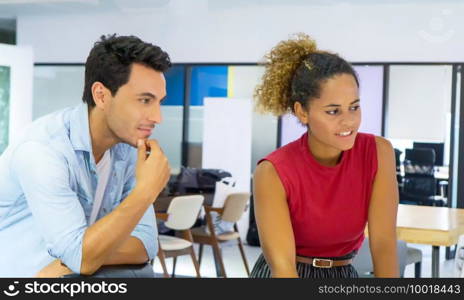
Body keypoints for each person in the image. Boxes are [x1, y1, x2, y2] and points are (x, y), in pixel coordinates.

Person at [0, 34, 171, 277]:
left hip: (65, 277)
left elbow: (145, 245)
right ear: (101, 95)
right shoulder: (43, 151)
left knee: (141, 274)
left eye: (159, 102)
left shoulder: (128, 148)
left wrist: (75, 257)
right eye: (144, 100)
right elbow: (82, 258)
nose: (157, 117)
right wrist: (145, 191)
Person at [250, 34, 399, 278]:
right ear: (302, 112)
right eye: (333, 111)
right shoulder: (273, 171)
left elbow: (383, 243)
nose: (349, 121)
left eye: (354, 107)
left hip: (343, 273)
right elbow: (283, 269)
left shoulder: (379, 153)